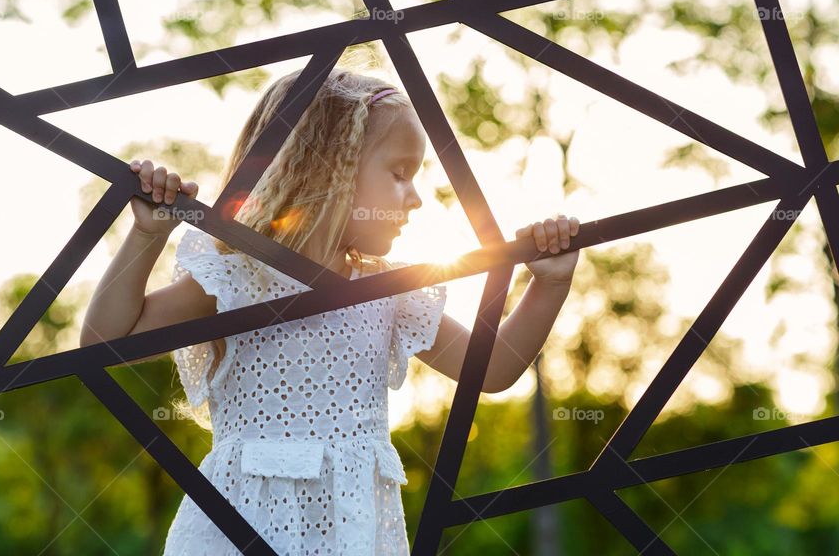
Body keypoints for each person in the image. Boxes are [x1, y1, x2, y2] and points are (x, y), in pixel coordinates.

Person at [79, 67, 580, 555]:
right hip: (240, 527)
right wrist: (147, 234)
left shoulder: (389, 290)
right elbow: (105, 344)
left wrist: (550, 284)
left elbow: (491, 369)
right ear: (331, 167)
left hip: (351, 532)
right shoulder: (240, 275)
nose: (416, 199)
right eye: (400, 174)